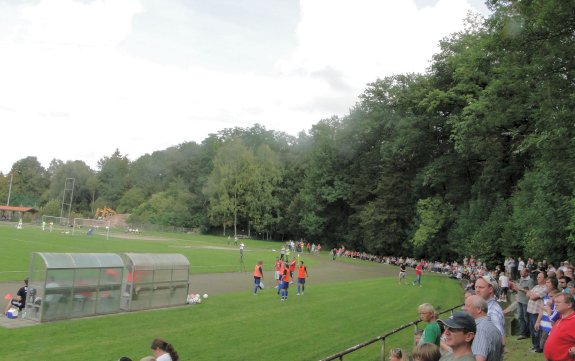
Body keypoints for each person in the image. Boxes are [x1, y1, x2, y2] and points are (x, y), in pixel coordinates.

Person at [464, 295, 503, 361]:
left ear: (479, 309)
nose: (464, 309)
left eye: (468, 306)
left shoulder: (480, 330)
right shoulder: (491, 326)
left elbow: (479, 359)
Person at [543, 293, 575, 361]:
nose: (555, 304)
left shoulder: (573, 321)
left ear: (569, 304)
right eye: (555, 302)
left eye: (558, 302)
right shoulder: (560, 319)